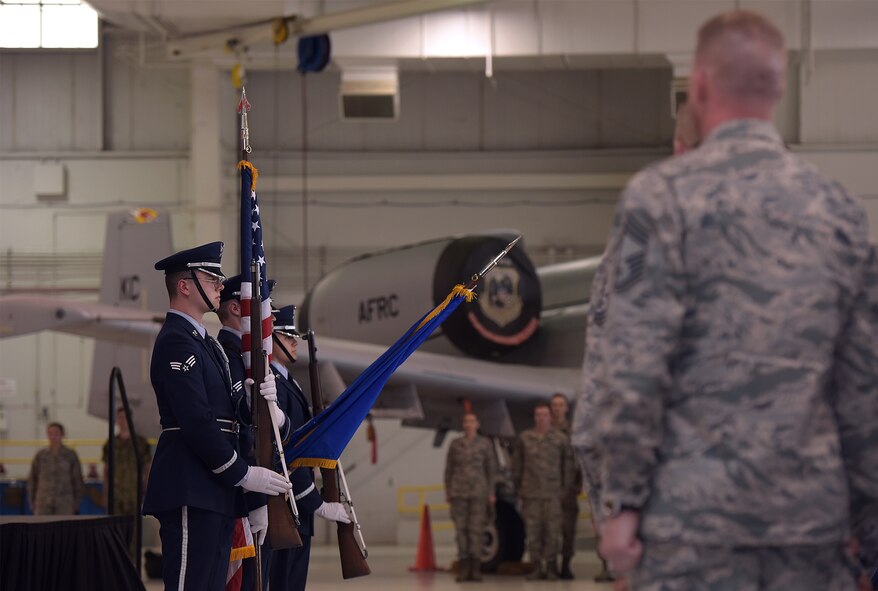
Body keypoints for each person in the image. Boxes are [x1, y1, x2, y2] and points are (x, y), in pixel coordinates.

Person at [572, 10, 878, 591]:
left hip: (688, 527)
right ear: (781, 87)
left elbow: (632, 369)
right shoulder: (838, 211)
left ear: (702, 85)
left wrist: (620, 509)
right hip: (809, 528)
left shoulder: (655, 201)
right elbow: (863, 388)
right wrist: (869, 525)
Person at [143, 242, 292, 591]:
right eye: (211, 279)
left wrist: (264, 399)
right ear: (184, 285)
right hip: (190, 482)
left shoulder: (205, 343)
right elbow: (196, 419)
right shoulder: (178, 341)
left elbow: (231, 412)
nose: (219, 287)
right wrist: (242, 473)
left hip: (213, 486)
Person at [268, 304, 351, 591]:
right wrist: (315, 503)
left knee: (293, 580)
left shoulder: (288, 382)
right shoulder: (273, 385)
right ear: (272, 339)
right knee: (283, 580)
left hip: (296, 506)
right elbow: (287, 452)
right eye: (288, 336)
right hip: (287, 503)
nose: (294, 342)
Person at [215, 273, 280, 590]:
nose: (268, 315)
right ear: (236, 309)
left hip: (259, 485)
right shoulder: (228, 354)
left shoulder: (247, 358)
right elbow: (242, 432)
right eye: (262, 306)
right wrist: (255, 500)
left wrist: (278, 416)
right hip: (245, 491)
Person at [512, 402, 573, 580]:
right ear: (534, 417)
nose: (541, 418)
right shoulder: (525, 438)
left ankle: (552, 568)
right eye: (538, 415)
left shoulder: (560, 439)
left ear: (550, 417)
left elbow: (567, 466)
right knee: (533, 533)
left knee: (552, 532)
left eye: (545, 415)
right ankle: (537, 567)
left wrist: (564, 490)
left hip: (553, 494)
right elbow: (517, 466)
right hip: (531, 494)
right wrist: (519, 488)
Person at [444, 412, 498, 582]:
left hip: (479, 494)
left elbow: (491, 470)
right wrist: (448, 491)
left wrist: (491, 492)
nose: (469, 424)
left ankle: (475, 569)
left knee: (476, 531)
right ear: (463, 424)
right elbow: (449, 469)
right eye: (466, 421)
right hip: (459, 494)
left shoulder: (485, 445)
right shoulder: (455, 444)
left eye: (472, 421)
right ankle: (464, 567)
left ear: (477, 424)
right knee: (461, 532)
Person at [102, 407, 152, 559]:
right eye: (120, 418)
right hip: (116, 495)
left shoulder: (141, 443)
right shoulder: (110, 443)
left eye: (125, 417)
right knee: (116, 531)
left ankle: (133, 568)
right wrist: (106, 493)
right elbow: (106, 470)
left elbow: (147, 469)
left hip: (134, 494)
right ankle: (117, 566)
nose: (122, 421)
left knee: (134, 534)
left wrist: (147, 492)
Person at [549, 393, 583, 580]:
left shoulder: (574, 432)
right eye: (554, 405)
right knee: (550, 529)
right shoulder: (545, 430)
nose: (557, 408)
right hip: (549, 488)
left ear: (566, 408)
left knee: (568, 529)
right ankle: (550, 565)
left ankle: (566, 565)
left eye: (561, 405)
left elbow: (580, 460)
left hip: (569, 488)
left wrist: (578, 484)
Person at [27, 422, 84, 515]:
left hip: (65, 501)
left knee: (64, 528)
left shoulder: (70, 455)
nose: (53, 436)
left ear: (62, 435)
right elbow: (33, 478)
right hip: (43, 501)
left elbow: (77, 479)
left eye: (56, 433)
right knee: (42, 528)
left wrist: (77, 502)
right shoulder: (41, 455)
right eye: (50, 433)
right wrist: (31, 500)